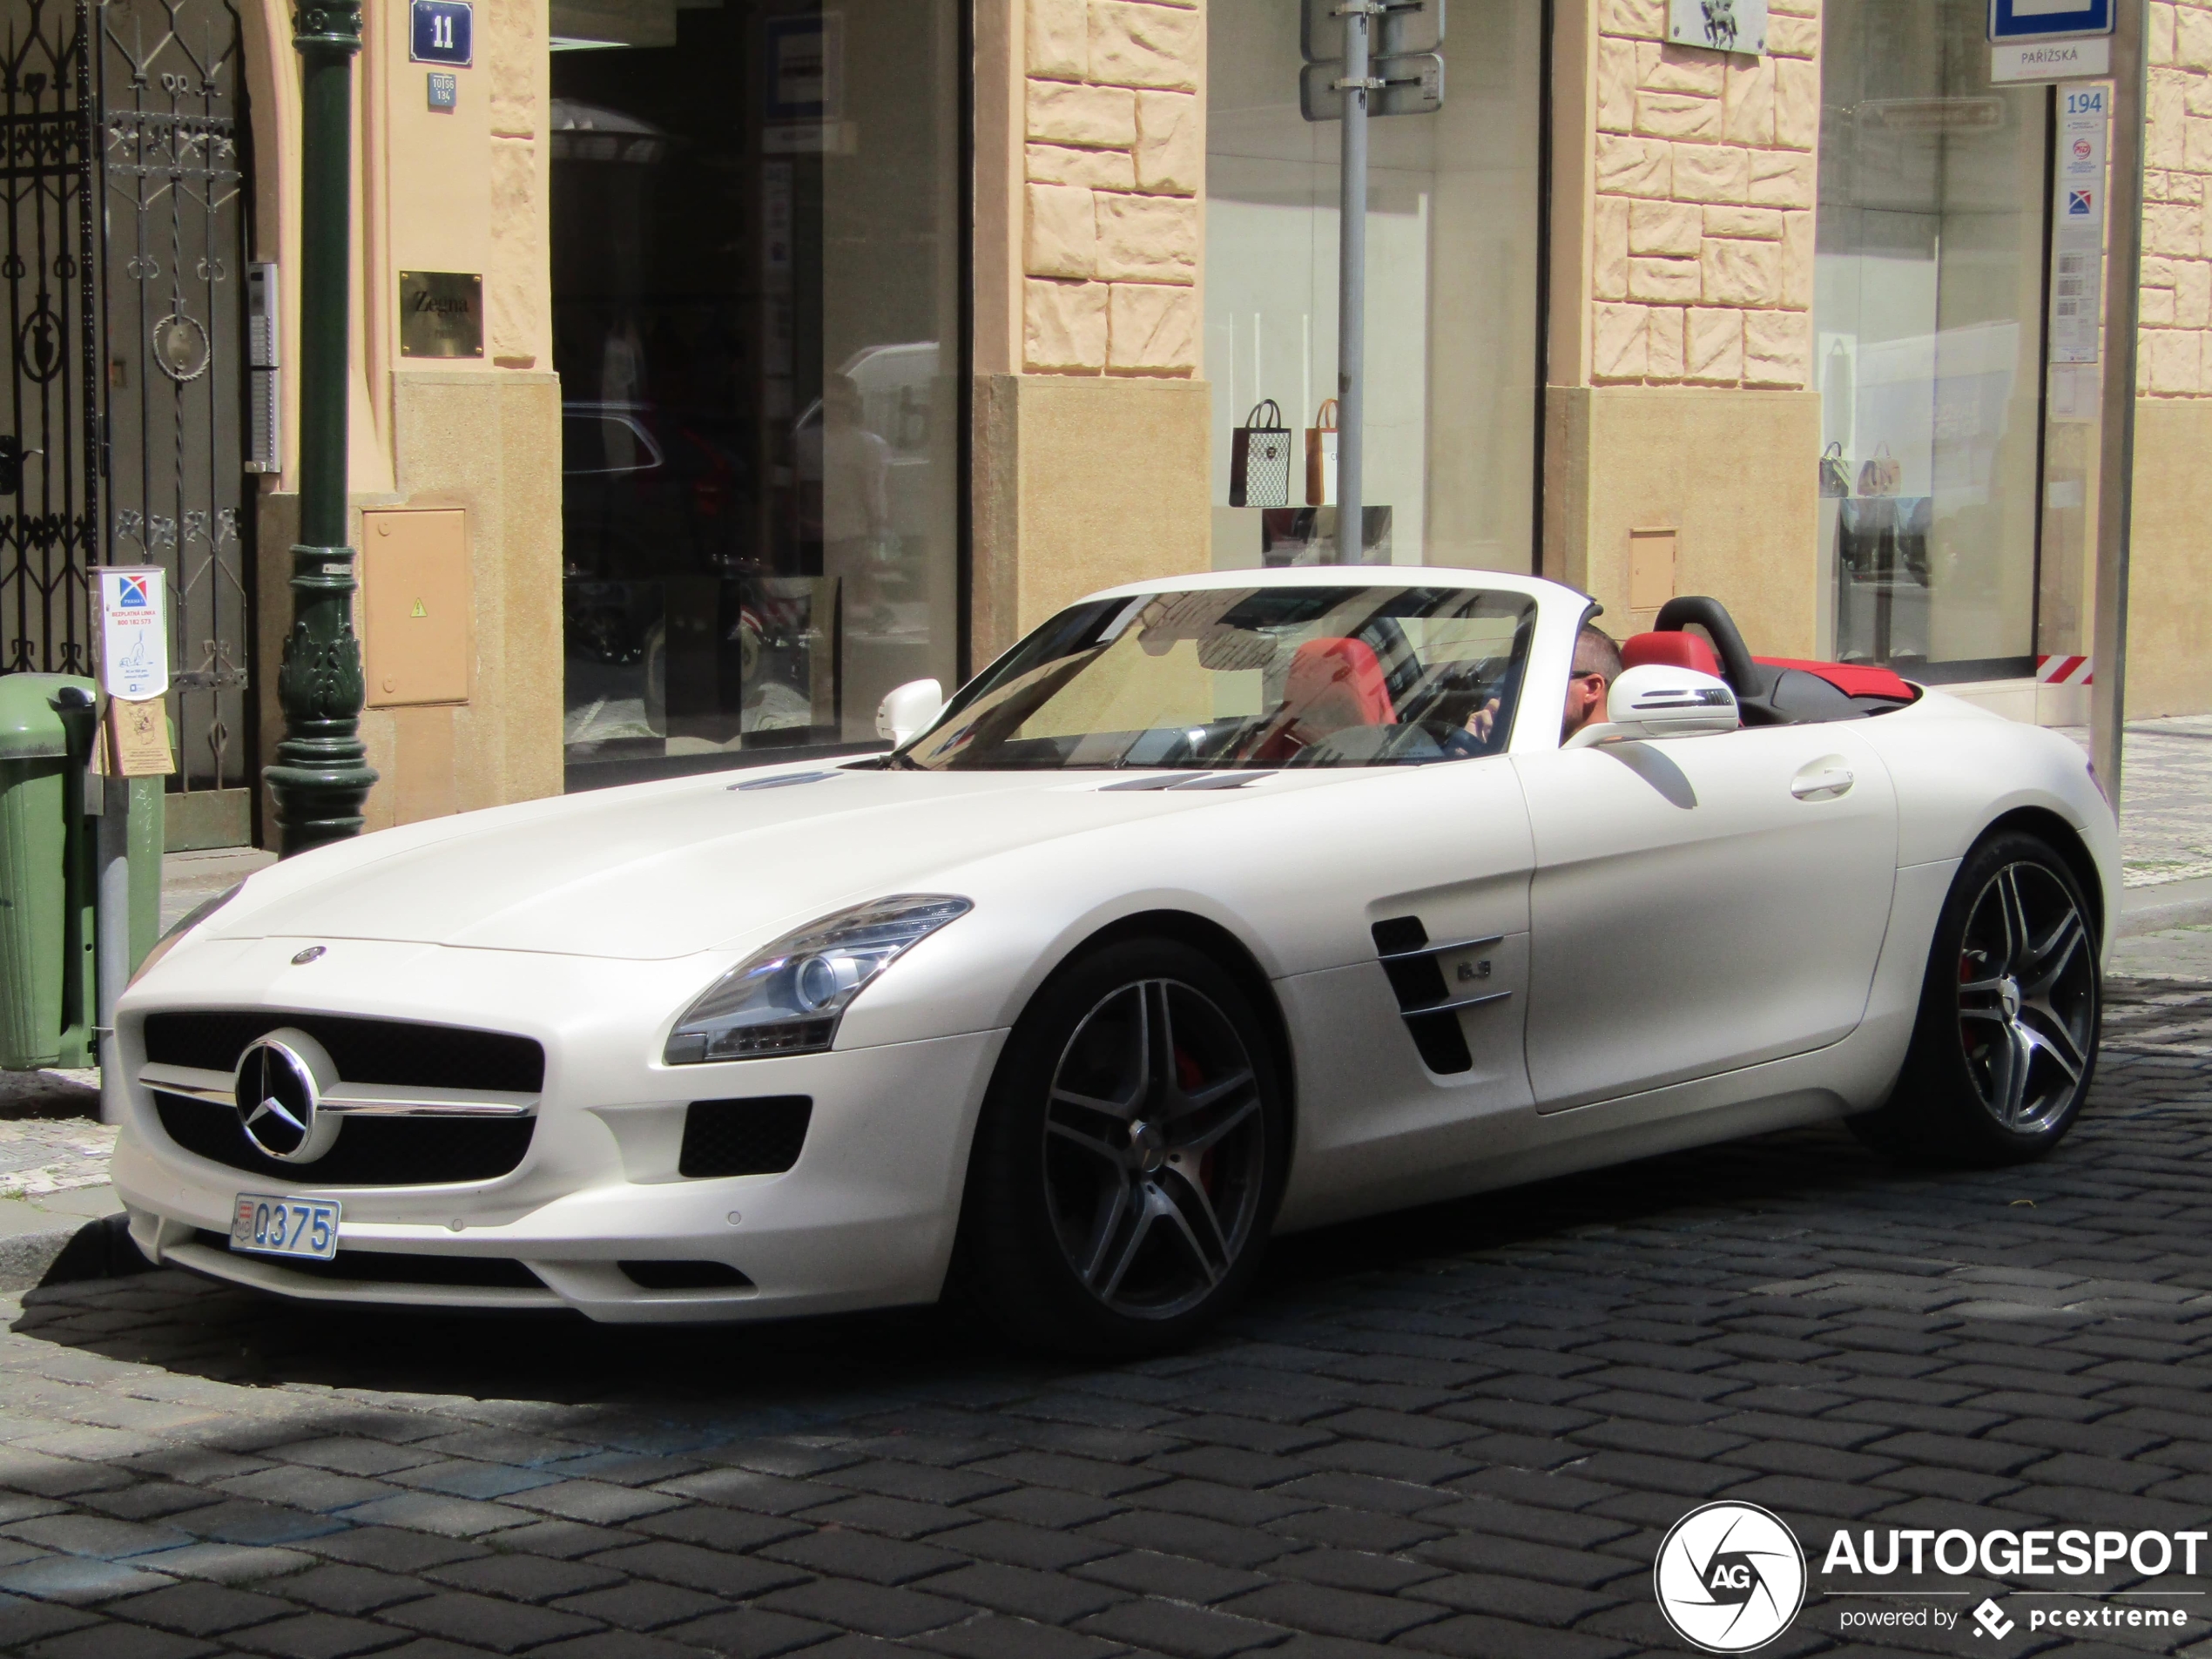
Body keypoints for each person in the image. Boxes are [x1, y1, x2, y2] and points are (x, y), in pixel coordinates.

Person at [1460, 621, 1622, 750]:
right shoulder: (1545, 751)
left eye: (1534, 679)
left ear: (1592, 688)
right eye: (1512, 682)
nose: (1517, 694)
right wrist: (1472, 746)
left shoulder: (1627, 766)